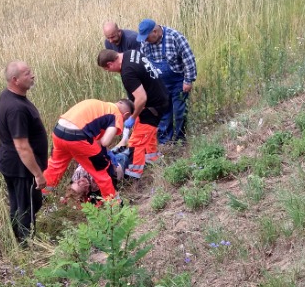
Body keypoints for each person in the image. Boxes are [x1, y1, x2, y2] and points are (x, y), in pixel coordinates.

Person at [0, 61, 48, 242]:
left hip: (11, 163)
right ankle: (27, 246)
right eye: (27, 73)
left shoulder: (7, 96)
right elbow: (22, 146)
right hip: (21, 168)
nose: (32, 75)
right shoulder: (16, 108)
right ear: (15, 80)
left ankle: (17, 238)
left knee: (19, 204)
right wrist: (38, 174)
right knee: (28, 206)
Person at [97, 48, 170, 179]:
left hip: (152, 107)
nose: (109, 72)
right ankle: (152, 158)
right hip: (160, 97)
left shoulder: (127, 72)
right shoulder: (131, 53)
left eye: (107, 70)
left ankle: (133, 174)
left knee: (136, 143)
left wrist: (133, 117)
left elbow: (141, 98)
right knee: (148, 134)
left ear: (109, 64)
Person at [43, 98, 133, 200]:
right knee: (101, 171)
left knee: (55, 166)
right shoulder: (116, 114)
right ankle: (113, 205)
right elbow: (105, 142)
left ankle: (41, 196)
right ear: (126, 115)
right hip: (78, 137)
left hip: (59, 131)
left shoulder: (99, 105)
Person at [137, 18, 197, 144]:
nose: (145, 41)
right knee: (164, 112)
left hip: (178, 82)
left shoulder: (175, 37)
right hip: (159, 84)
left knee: (179, 111)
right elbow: (144, 63)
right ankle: (165, 140)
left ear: (155, 31)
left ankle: (180, 138)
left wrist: (188, 80)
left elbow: (189, 59)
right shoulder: (145, 43)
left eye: (147, 37)